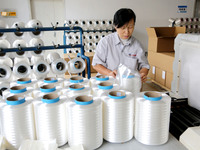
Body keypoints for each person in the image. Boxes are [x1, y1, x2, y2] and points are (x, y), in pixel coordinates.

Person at [92, 8, 150, 82]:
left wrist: (142, 74)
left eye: (130, 27)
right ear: (115, 26)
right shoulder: (105, 42)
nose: (127, 32)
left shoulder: (137, 45)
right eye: (123, 28)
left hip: (129, 84)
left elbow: (144, 66)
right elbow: (96, 64)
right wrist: (109, 73)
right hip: (107, 83)